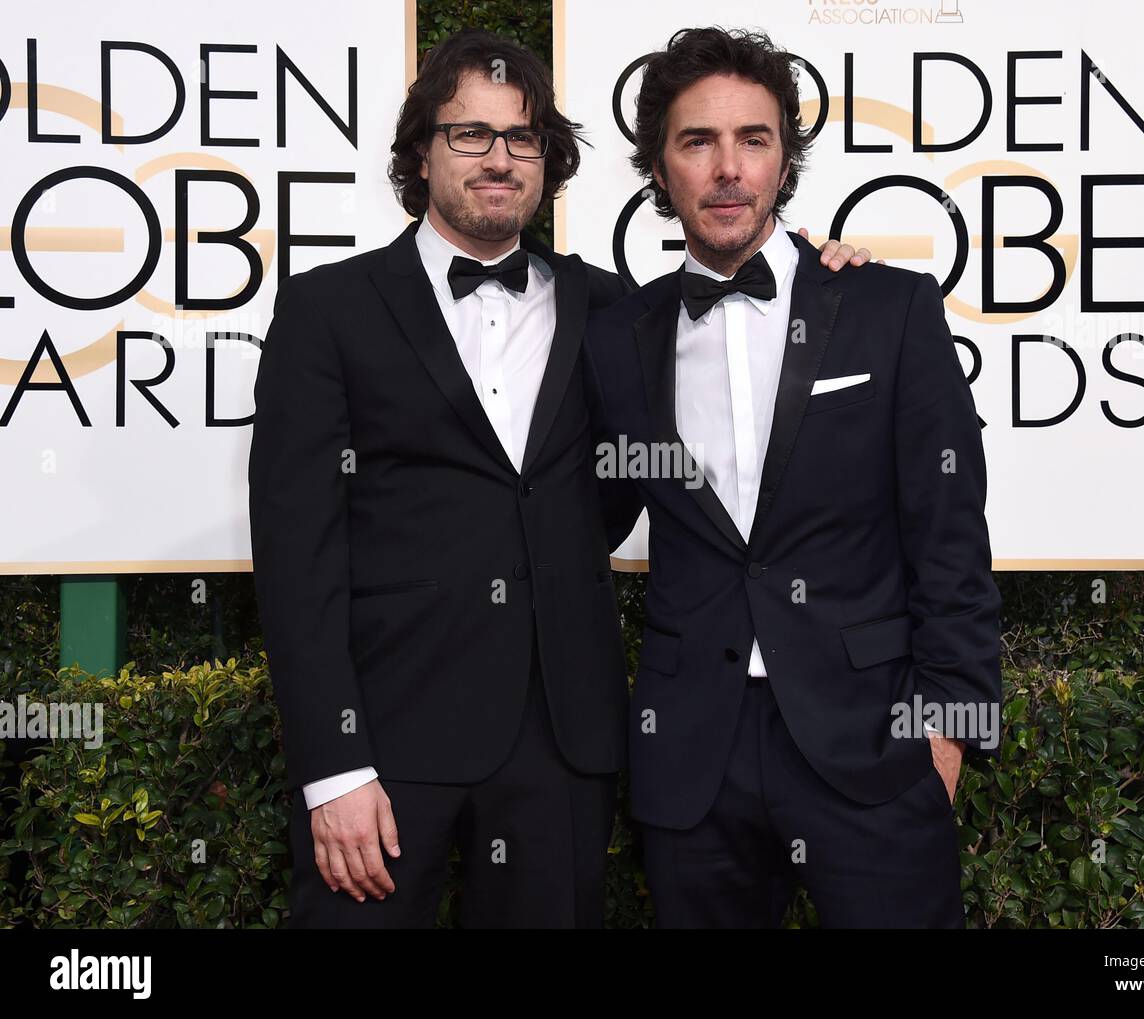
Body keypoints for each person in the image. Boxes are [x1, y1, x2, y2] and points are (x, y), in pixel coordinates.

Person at [247, 27, 868, 928]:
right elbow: (296, 554)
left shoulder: (612, 311)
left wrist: (823, 266)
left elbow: (616, 491)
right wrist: (333, 766)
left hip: (563, 747)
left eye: (524, 138)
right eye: (470, 134)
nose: (499, 159)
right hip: (385, 744)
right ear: (422, 152)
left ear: (549, 160)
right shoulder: (327, 310)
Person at [584, 26, 1004, 928]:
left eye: (754, 139)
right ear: (660, 169)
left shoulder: (888, 307)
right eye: (698, 142)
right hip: (694, 751)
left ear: (784, 162)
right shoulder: (618, 335)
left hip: (874, 742)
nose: (727, 168)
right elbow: (585, 505)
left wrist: (952, 728)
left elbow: (950, 532)